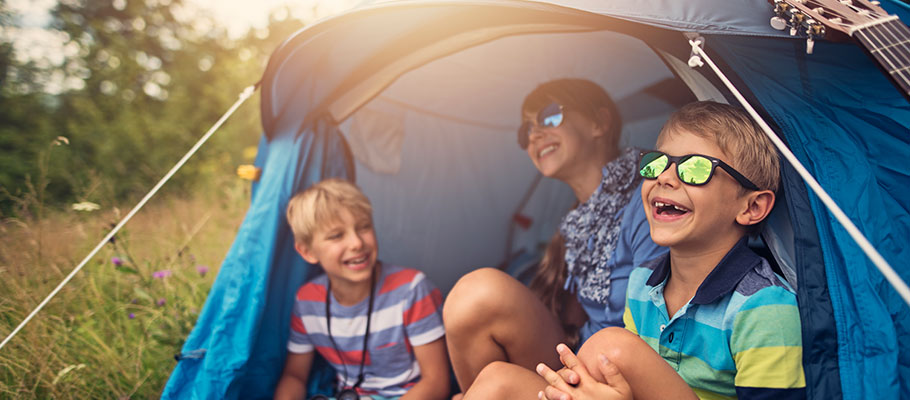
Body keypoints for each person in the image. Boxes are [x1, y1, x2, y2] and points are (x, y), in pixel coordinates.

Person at [535, 101, 806, 399]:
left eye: (695, 168)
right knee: (502, 380)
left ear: (751, 207)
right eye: (657, 163)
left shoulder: (764, 306)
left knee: (611, 346)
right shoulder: (642, 282)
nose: (664, 177)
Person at [443, 79, 667, 399]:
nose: (534, 135)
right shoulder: (576, 223)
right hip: (581, 356)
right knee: (475, 295)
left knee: (495, 384)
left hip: (630, 373)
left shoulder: (651, 196)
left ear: (599, 123)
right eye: (525, 132)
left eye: (549, 116)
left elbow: (663, 319)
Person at [274, 179, 450, 400]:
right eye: (337, 235)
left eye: (364, 227)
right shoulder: (307, 301)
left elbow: (436, 383)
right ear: (307, 252)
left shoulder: (412, 289)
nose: (356, 243)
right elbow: (295, 376)